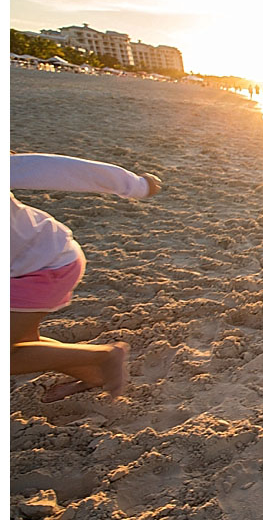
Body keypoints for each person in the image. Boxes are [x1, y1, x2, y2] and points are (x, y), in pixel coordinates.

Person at [10, 153, 162, 401]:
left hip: (45, 264)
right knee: (24, 341)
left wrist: (136, 185)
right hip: (21, 266)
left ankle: (104, 356)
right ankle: (94, 375)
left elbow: (60, 170)